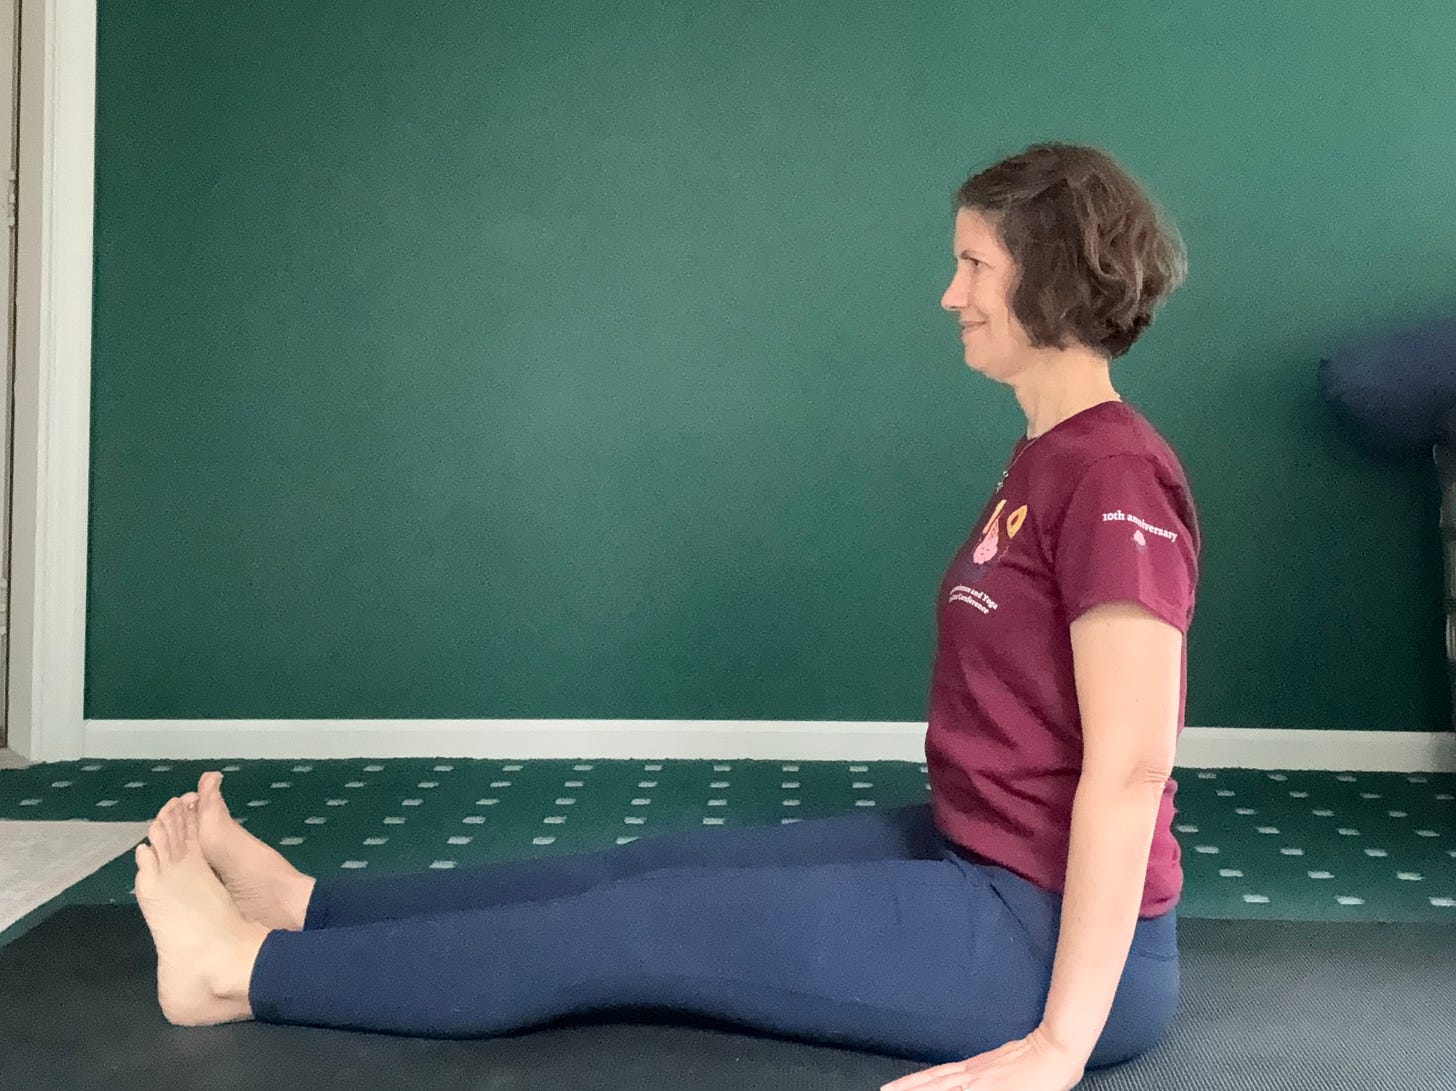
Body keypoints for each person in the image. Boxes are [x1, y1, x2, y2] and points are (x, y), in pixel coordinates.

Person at [131, 141, 1198, 1091]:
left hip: (1043, 929)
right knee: (648, 866)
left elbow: (1131, 766)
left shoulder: (1112, 476)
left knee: (634, 927)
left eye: (973, 264)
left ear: (1047, 274)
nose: (949, 293)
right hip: (983, 854)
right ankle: (308, 906)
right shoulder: (1047, 455)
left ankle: (235, 972)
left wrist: (1059, 1042)